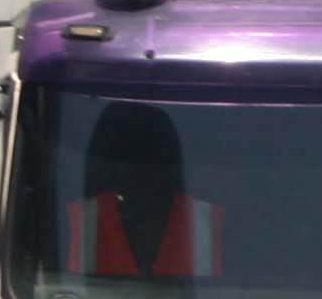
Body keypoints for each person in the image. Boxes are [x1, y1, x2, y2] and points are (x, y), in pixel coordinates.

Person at [64, 100, 219, 280]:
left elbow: (231, 297)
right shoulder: (79, 220)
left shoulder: (204, 221)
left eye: (151, 160)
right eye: (128, 160)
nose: (138, 174)